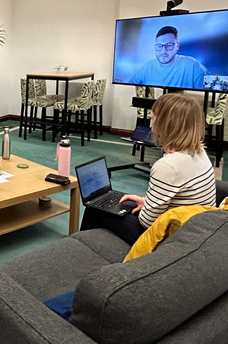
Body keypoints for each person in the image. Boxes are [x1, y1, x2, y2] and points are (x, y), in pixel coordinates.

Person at [80, 93, 216, 245]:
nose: (151, 117)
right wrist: (146, 202)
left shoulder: (168, 166)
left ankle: (82, 250)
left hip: (170, 238)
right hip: (194, 230)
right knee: (124, 205)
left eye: (155, 115)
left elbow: (147, 222)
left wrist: (144, 208)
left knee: (94, 209)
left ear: (167, 123)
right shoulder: (200, 151)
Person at [129, 26, 208, 90]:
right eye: (159, 46)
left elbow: (211, 91)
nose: (163, 51)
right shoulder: (147, 67)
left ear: (177, 46)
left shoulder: (192, 65)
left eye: (169, 45)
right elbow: (129, 88)